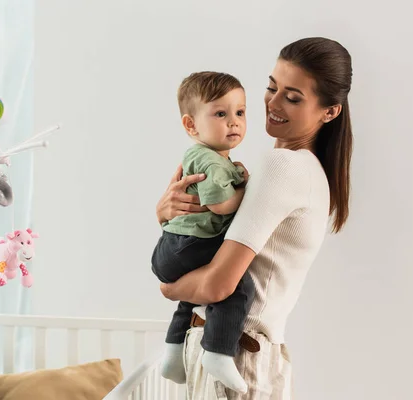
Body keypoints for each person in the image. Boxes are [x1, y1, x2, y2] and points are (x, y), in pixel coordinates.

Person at [156, 37, 353, 399]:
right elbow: (213, 237)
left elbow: (218, 286)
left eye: (293, 97)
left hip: (236, 351)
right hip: (246, 353)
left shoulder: (282, 167)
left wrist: (168, 287)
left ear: (329, 112)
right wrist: (166, 212)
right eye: (271, 87)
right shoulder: (306, 170)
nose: (273, 104)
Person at [150, 71, 254, 394]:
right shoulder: (210, 160)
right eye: (221, 114)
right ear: (191, 125)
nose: (234, 122)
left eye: (240, 112)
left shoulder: (206, 157)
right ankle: (219, 352)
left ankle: (171, 353)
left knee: (192, 298)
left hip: (172, 247)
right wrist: (246, 192)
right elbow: (221, 205)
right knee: (237, 286)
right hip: (191, 244)